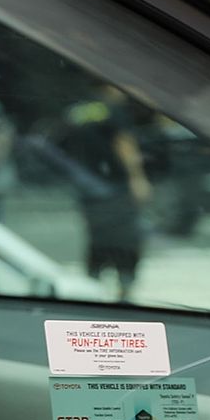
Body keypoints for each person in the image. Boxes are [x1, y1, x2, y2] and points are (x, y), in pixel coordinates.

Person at [61, 84, 152, 299]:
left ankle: (93, 283)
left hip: (89, 188)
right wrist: (137, 178)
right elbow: (124, 143)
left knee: (97, 237)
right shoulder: (114, 110)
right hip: (116, 186)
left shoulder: (80, 110)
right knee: (126, 238)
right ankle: (125, 289)